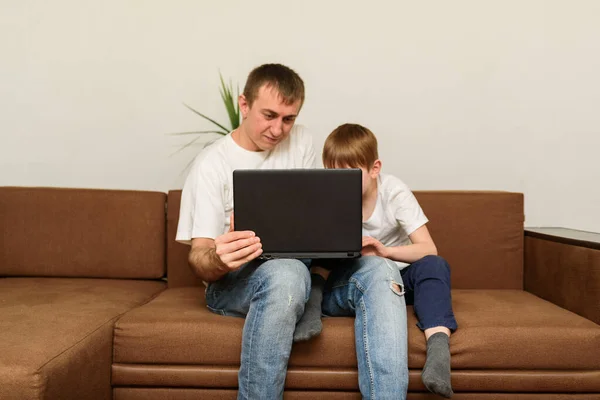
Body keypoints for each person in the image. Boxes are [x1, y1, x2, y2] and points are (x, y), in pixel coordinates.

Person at [176, 64, 409, 400]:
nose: (277, 129)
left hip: (305, 275)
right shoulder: (211, 165)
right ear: (244, 104)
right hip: (237, 283)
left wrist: (338, 239)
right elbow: (198, 259)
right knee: (287, 273)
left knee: (381, 270)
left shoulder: (301, 141)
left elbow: (311, 217)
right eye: (268, 115)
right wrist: (219, 256)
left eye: (288, 118)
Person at [319, 123, 458, 398]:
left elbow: (428, 248)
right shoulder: (325, 196)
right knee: (311, 264)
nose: (339, 184)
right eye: (332, 175)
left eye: (349, 175)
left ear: (374, 169)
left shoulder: (393, 192)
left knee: (435, 265)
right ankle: (312, 304)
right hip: (349, 282)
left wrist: (385, 251)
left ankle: (438, 349)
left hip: (395, 283)